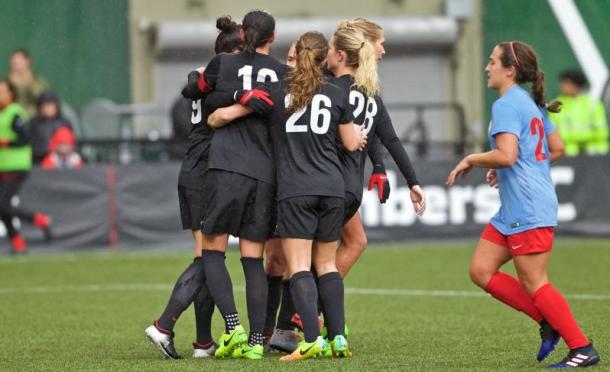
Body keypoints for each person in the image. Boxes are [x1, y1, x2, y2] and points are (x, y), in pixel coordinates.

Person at [447, 41, 600, 368]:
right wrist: (509, 171)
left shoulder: (507, 105)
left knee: (536, 282)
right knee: (481, 270)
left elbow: (507, 155)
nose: (487, 67)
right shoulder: (529, 103)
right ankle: (547, 323)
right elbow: (555, 148)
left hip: (528, 208)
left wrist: (472, 159)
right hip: (515, 210)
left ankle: (582, 347)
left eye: (491, 62)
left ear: (510, 70)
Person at [144, 16, 243, 360]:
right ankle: (164, 325)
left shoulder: (205, 75)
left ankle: (203, 342)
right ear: (231, 53)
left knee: (209, 257)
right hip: (204, 174)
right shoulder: (224, 80)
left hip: (195, 171)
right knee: (209, 259)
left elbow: (192, 85)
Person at [195, 9, 289, 360]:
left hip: (226, 166)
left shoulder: (223, 63)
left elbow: (203, 98)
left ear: (243, 33)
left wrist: (232, 104)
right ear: (273, 38)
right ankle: (254, 343)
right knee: (254, 260)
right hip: (265, 172)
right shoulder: (283, 73)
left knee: (212, 251)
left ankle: (232, 327)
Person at [328, 19, 426, 280]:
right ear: (366, 45)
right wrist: (411, 181)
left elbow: (370, 135)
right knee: (347, 244)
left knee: (310, 254)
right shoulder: (366, 93)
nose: (383, 50)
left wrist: (380, 167)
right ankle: (311, 311)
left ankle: (306, 311)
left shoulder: (332, 85)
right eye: (380, 44)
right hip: (343, 184)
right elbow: (388, 138)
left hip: (320, 179)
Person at [0, 79, 51, 253]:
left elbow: (25, 137)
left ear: (11, 94)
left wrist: (6, 143)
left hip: (15, 166)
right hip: (2, 166)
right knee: (2, 207)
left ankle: (38, 219)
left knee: (3, 205)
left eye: (2, 91)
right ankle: (18, 243)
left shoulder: (15, 113)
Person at [548, 69, 608, 156]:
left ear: (577, 85)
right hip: (567, 154)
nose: (563, 86)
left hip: (595, 155)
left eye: (567, 83)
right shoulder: (555, 105)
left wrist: (578, 138)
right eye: (563, 83)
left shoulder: (593, 104)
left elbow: (602, 133)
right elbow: (553, 134)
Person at [29, 91, 74, 164]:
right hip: (39, 162)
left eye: (50, 105)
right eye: (44, 106)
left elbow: (70, 143)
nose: (46, 109)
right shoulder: (34, 123)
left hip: (61, 162)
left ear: (56, 106)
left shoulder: (64, 122)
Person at [8, 49, 49, 118]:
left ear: (28, 61)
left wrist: (28, 83)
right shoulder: (7, 82)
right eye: (14, 62)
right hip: (12, 119)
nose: (16, 64)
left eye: (19, 61)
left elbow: (43, 98)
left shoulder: (36, 80)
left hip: (33, 119)